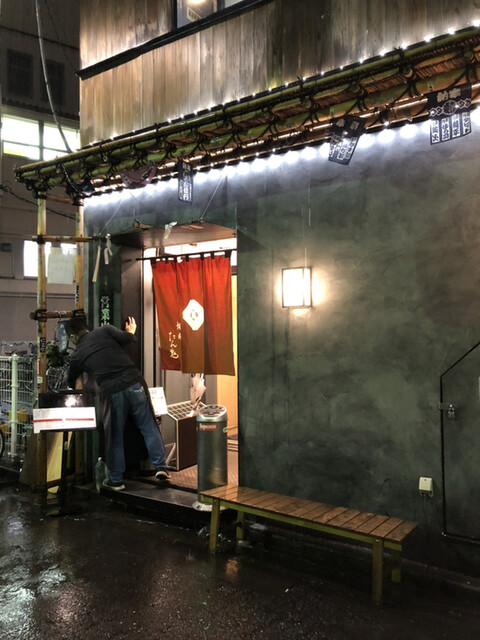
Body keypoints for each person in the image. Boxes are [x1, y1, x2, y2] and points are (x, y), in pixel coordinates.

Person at [65, 315, 170, 491]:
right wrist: (131, 331)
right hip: (134, 382)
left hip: (112, 391)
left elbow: (71, 381)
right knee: (148, 426)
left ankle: (116, 479)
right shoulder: (105, 330)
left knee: (114, 435)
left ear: (72, 337)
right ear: (86, 328)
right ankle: (161, 468)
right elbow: (127, 338)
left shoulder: (77, 355)